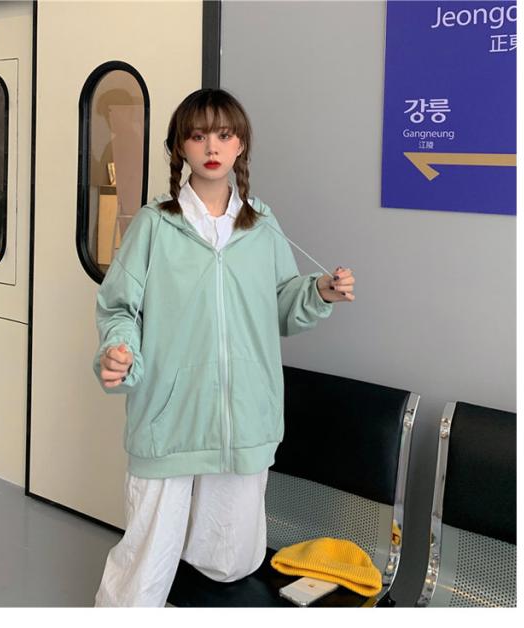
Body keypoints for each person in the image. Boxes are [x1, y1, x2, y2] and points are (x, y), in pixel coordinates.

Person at [92, 88, 355, 607]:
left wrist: (319, 291)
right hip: (170, 415)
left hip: (245, 415)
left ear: (240, 145)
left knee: (229, 558)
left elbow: (281, 303)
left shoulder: (261, 224)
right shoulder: (154, 225)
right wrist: (119, 350)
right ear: (180, 148)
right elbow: (120, 308)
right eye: (197, 135)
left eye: (224, 134)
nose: (212, 146)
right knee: (146, 556)